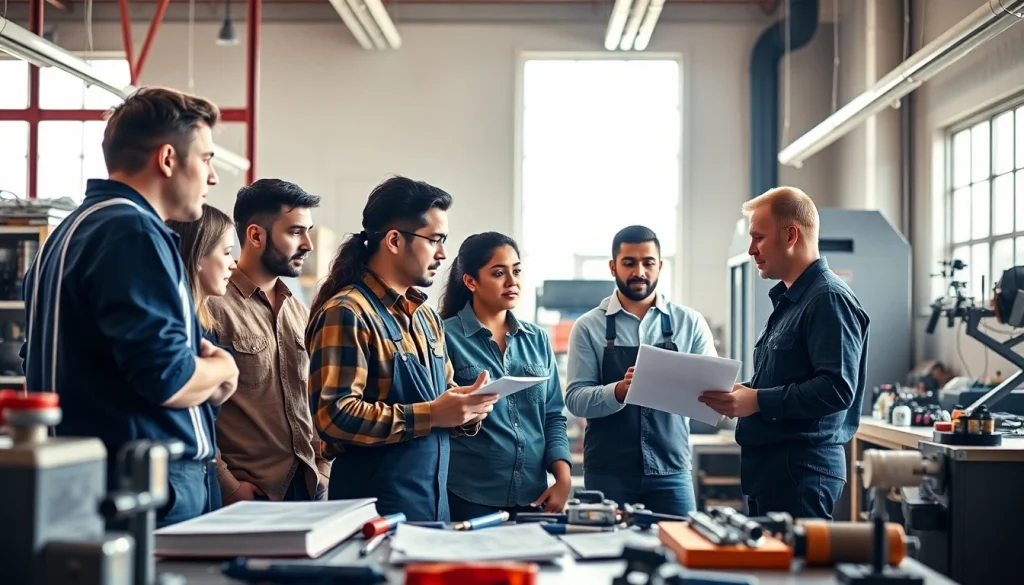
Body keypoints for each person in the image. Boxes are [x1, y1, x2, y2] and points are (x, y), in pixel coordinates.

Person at [21, 87, 239, 527]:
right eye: (206, 159)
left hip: (93, 474)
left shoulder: (70, 231)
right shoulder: (133, 232)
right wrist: (224, 370)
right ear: (167, 159)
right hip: (145, 486)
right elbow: (169, 377)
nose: (212, 177)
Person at [305, 176, 499, 522]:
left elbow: (441, 396)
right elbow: (333, 417)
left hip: (430, 504)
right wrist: (434, 414)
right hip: (371, 514)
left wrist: (465, 407)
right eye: (435, 240)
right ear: (394, 240)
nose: (443, 254)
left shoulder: (426, 318)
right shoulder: (347, 313)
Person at [698, 186, 869, 520]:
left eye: (758, 237)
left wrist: (758, 400)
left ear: (791, 235)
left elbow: (837, 388)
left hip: (800, 473)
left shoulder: (828, 298)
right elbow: (786, 378)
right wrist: (743, 393)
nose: (751, 250)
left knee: (797, 572)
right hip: (775, 471)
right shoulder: (792, 301)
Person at [565, 225, 716, 516]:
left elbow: (711, 392)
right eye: (629, 263)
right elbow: (575, 398)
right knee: (604, 555)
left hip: (671, 472)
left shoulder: (690, 323)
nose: (640, 272)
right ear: (613, 267)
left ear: (659, 266)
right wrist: (619, 391)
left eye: (648, 263)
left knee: (679, 553)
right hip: (608, 474)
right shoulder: (588, 327)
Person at [206, 179, 331, 505]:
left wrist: (324, 467)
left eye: (308, 231)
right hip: (249, 496)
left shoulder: (301, 312)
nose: (308, 244)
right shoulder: (213, 306)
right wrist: (226, 484)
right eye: (295, 232)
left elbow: (315, 397)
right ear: (256, 235)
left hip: (308, 489)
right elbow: (197, 412)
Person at [437, 232, 573, 521]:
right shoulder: (443, 336)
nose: (512, 281)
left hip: (535, 497)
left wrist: (562, 480)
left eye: (517, 270)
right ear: (471, 281)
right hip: (469, 495)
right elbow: (436, 416)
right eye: (499, 273)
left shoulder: (537, 339)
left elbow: (553, 417)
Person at [166, 203, 238, 511]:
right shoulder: (174, 327)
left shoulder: (206, 327)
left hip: (203, 475)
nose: (233, 264)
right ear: (197, 257)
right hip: (177, 477)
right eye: (226, 253)